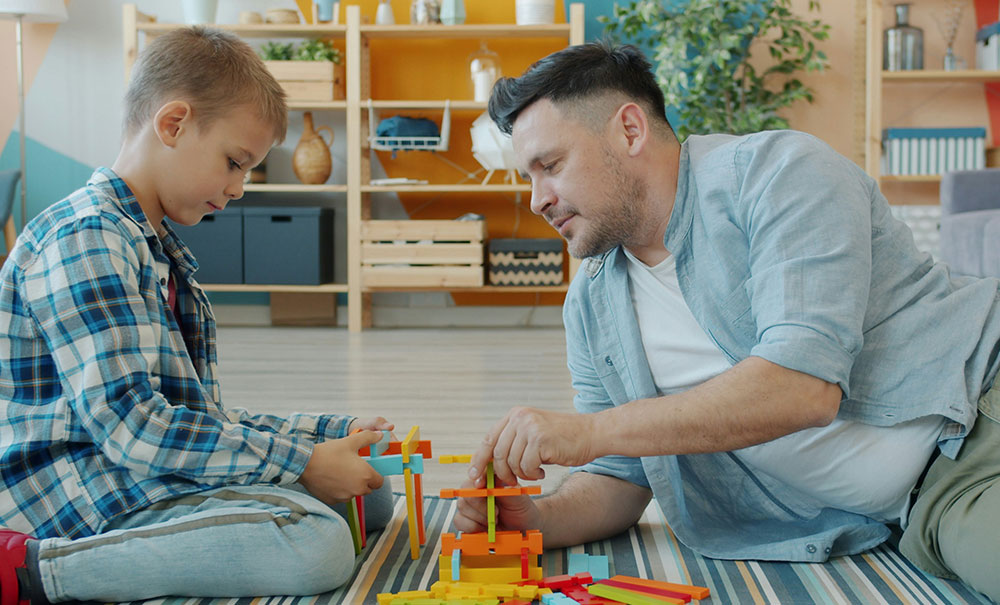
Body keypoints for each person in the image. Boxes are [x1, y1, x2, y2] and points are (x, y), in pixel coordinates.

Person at [454, 41, 1000, 601]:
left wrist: (587, 431)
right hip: (927, 505)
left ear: (629, 130)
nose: (538, 199)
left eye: (551, 166)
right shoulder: (592, 305)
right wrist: (536, 519)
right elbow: (621, 475)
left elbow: (802, 388)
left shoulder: (780, 175)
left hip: (981, 411)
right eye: (528, 176)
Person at [0, 28, 393, 603]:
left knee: (371, 489)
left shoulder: (153, 246)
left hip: (129, 461)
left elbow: (190, 415)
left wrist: (322, 435)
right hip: (69, 485)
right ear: (173, 124)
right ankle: (36, 571)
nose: (238, 189)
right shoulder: (87, 238)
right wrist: (303, 461)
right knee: (316, 542)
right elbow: (133, 427)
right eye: (235, 163)